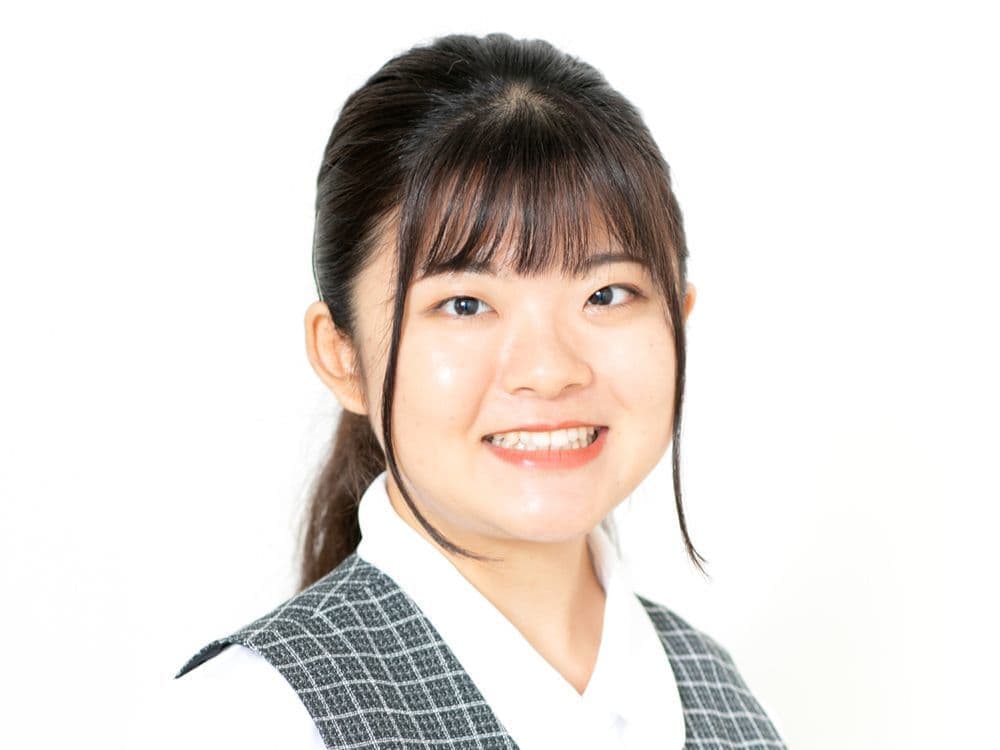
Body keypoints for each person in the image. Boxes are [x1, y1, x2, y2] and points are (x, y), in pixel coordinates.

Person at [171, 32, 787, 749]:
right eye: (464, 304)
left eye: (606, 294)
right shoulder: (250, 719)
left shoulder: (727, 703)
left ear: (678, 320)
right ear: (343, 357)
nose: (549, 370)